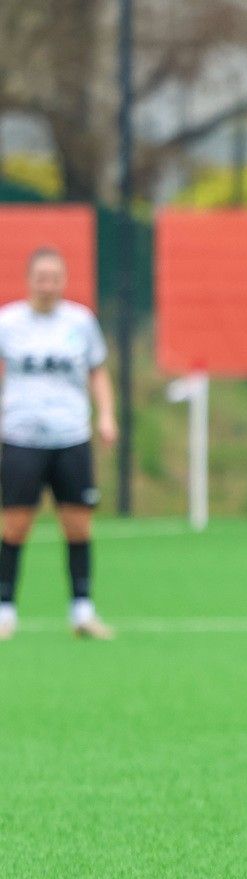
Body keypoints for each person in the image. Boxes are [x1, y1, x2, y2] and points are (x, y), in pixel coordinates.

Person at [0, 247, 115, 642]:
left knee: (78, 525)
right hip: (21, 437)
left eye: (54, 277)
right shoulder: (8, 322)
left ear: (63, 281)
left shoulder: (80, 322)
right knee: (15, 525)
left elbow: (97, 371)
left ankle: (82, 610)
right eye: (41, 277)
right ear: (29, 279)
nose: (47, 285)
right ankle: (4, 611)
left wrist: (106, 415)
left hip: (70, 437)